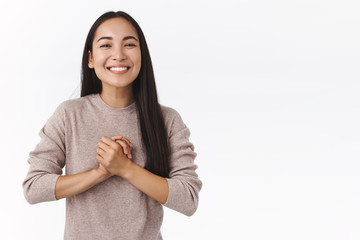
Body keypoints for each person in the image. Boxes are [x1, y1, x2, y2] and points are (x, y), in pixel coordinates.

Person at [22, 11, 202, 240]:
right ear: (90, 58)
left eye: (129, 44)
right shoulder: (69, 115)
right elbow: (34, 187)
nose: (118, 55)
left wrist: (125, 168)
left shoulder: (167, 120)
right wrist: (101, 172)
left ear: (142, 56)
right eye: (106, 45)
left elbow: (188, 199)